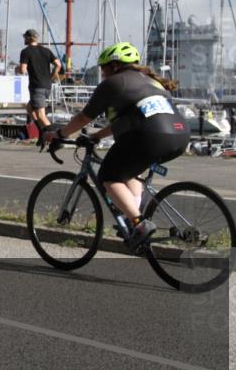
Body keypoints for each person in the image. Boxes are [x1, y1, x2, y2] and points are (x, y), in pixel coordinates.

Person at [43, 42, 190, 249]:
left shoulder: (114, 83)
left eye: (103, 69)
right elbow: (126, 121)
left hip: (149, 136)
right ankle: (133, 218)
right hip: (180, 135)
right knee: (128, 172)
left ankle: (139, 224)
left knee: (109, 177)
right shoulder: (152, 82)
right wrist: (97, 136)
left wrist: (59, 134)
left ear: (113, 66)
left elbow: (83, 117)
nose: (102, 74)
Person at [17, 29, 62, 130]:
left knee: (41, 115)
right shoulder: (46, 51)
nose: (24, 39)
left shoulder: (26, 51)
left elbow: (22, 70)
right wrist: (51, 77)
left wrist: (17, 68)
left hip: (37, 87)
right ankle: (42, 132)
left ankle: (54, 138)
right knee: (29, 108)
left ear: (28, 38)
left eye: (24, 37)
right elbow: (58, 65)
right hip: (47, 86)